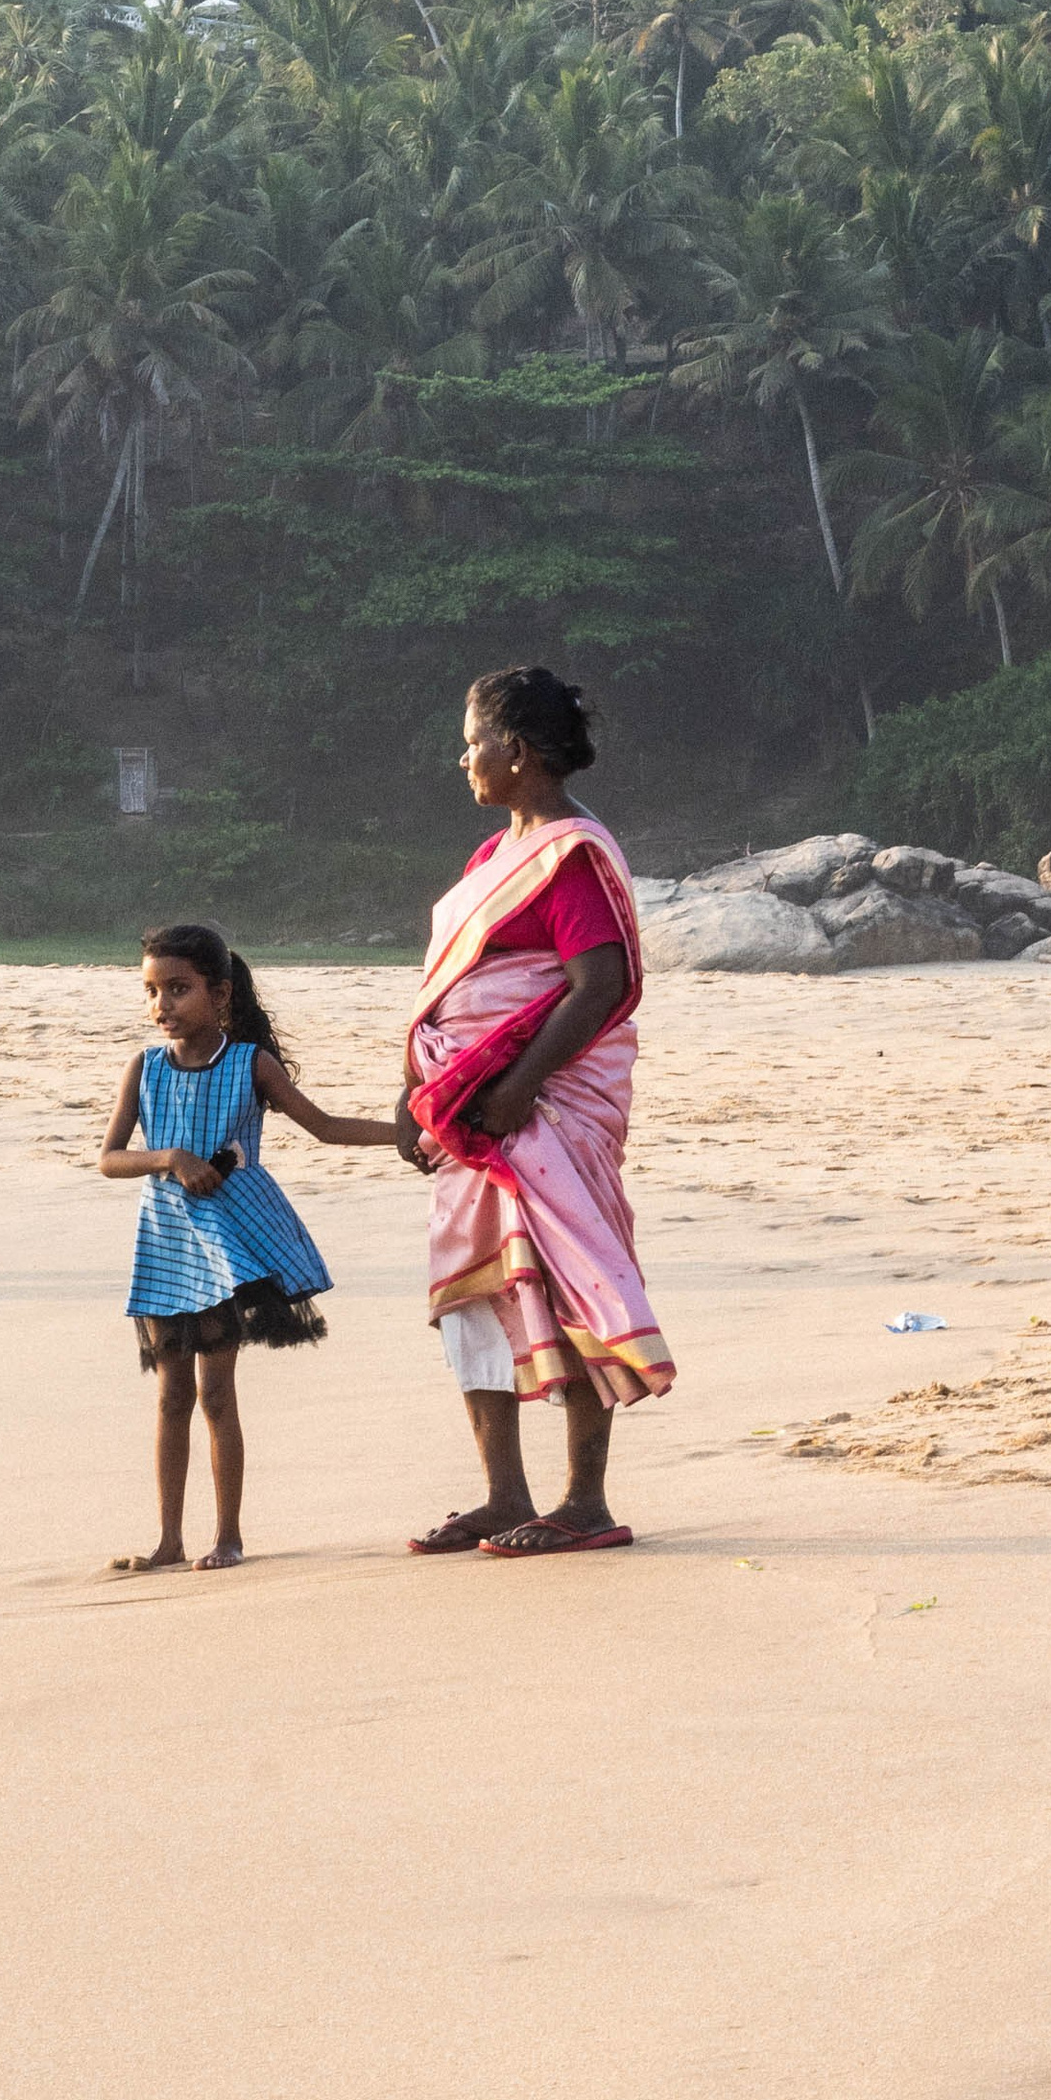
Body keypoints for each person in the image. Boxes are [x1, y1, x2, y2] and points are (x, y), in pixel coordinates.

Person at [397, 663, 667, 1558]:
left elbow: (601, 984)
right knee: (471, 1294)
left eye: (473, 741)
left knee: (562, 1280)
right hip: (470, 1115)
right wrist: (416, 1093)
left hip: (543, 1109)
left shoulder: (571, 853)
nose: (463, 757)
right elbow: (456, 991)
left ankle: (584, 1501)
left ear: (515, 751)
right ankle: (501, 1494)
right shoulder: (494, 857)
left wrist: (515, 1089)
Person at [99, 923, 396, 1573]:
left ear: (222, 994)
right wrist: (170, 1157)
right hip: (166, 1246)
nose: (161, 1007)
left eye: (178, 989)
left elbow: (323, 1126)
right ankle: (168, 1540)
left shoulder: (249, 1064)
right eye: (151, 991)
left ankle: (228, 1535)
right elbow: (110, 1158)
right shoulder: (143, 1068)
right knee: (170, 1397)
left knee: (216, 1395)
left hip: (227, 1247)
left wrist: (407, 1133)